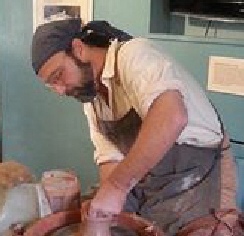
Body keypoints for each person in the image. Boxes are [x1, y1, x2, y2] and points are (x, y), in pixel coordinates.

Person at [31, 18, 236, 235]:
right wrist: (102, 205)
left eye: (59, 76)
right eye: (52, 85)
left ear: (78, 48)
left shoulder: (133, 55)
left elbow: (172, 116)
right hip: (150, 178)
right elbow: (110, 158)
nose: (60, 91)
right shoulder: (93, 99)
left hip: (199, 171)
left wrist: (117, 188)